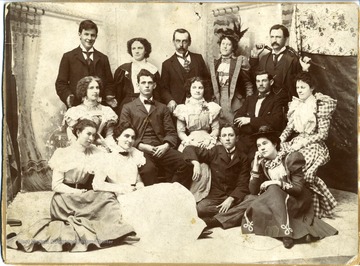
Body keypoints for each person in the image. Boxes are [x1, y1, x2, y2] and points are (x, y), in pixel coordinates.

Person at [7, 119, 137, 252]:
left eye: (94, 135)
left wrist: (102, 142)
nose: (91, 138)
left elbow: (112, 154)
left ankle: (114, 233)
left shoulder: (95, 151)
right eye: (88, 134)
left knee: (108, 197)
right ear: (78, 132)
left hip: (83, 194)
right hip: (65, 198)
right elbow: (56, 186)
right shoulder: (63, 153)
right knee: (69, 228)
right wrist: (76, 192)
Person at [92, 122, 208, 250]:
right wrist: (123, 188)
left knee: (173, 190)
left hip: (137, 191)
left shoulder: (133, 154)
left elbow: (137, 178)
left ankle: (190, 226)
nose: (130, 140)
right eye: (126, 136)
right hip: (123, 197)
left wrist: (140, 185)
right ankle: (185, 229)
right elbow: (97, 184)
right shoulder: (105, 158)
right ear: (117, 137)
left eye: (132, 137)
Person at [241, 125, 338, 249]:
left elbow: (298, 189)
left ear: (275, 144)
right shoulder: (263, 164)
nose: (262, 148)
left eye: (265, 143)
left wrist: (276, 183)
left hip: (297, 200)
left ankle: (286, 234)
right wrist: (255, 166)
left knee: (272, 190)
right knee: (252, 200)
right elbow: (253, 190)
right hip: (278, 202)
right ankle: (298, 234)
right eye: (259, 146)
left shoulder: (290, 158)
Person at [279, 71, 337, 218]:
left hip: (314, 144)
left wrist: (305, 141)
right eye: (297, 87)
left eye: (303, 87)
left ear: (312, 88)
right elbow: (289, 128)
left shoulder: (319, 105)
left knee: (299, 164)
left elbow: (323, 134)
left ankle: (308, 205)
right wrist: (279, 140)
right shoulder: (297, 105)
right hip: (298, 141)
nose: (299, 90)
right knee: (280, 159)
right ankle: (289, 201)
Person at [119, 69, 191, 187]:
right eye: (143, 83)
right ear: (137, 85)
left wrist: (165, 146)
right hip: (140, 149)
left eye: (150, 82)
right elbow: (122, 133)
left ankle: (171, 191)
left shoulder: (162, 107)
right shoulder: (128, 107)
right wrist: (140, 145)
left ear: (154, 85)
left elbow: (171, 132)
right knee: (149, 170)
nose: (146, 85)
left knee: (185, 162)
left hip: (161, 147)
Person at [183, 124, 253, 229]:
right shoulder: (215, 151)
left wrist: (231, 199)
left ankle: (213, 221)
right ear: (220, 139)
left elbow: (242, 183)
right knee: (201, 209)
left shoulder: (243, 158)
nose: (228, 139)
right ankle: (230, 216)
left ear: (237, 138)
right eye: (224, 136)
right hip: (215, 198)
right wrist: (196, 163)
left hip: (234, 197)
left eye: (231, 135)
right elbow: (189, 149)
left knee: (253, 200)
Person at [173, 77, 221, 202]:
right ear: (189, 89)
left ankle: (205, 197)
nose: (197, 90)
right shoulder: (183, 108)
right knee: (188, 162)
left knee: (213, 162)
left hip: (207, 139)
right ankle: (188, 198)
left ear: (204, 89)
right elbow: (181, 131)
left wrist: (210, 139)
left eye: (200, 87)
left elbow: (216, 128)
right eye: (194, 87)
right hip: (190, 140)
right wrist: (189, 141)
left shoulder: (211, 107)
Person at [55, 20, 114, 108]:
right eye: (86, 34)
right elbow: (61, 83)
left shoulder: (103, 58)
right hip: (77, 106)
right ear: (80, 34)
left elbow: (110, 83)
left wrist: (108, 95)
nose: (89, 38)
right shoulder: (68, 57)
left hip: (99, 106)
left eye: (92, 35)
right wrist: (68, 97)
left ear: (96, 36)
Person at [249, 24, 310, 108]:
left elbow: (301, 81)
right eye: (272, 37)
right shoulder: (264, 58)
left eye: (278, 37)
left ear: (286, 39)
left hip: (286, 103)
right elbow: (255, 78)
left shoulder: (294, 59)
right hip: (266, 103)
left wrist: (304, 69)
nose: (274, 40)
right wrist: (254, 58)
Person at [234, 70, 283, 160]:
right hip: (245, 142)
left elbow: (276, 121)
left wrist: (249, 121)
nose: (260, 84)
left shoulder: (276, 100)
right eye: (258, 81)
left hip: (264, 142)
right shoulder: (250, 99)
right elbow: (237, 120)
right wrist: (260, 124)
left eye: (264, 81)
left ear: (271, 82)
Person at [160, 28, 212, 113]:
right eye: (178, 41)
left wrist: (207, 101)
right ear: (173, 42)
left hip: (199, 105)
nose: (181, 45)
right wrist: (170, 100)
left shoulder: (198, 59)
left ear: (189, 42)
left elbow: (207, 81)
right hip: (178, 106)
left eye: (184, 41)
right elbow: (163, 88)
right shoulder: (167, 64)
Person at [209, 29, 253, 124]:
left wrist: (249, 103)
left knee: (234, 128)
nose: (225, 47)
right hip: (217, 100)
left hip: (235, 102)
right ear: (219, 46)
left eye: (228, 44)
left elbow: (248, 84)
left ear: (233, 47)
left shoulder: (240, 61)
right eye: (223, 44)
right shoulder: (214, 62)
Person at [110, 37, 161, 115]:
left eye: (140, 48)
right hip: (128, 104)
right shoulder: (123, 69)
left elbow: (157, 93)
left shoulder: (153, 69)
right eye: (133, 48)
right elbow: (118, 93)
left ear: (146, 50)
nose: (136, 51)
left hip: (148, 103)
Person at [63, 76, 118, 149]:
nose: (95, 91)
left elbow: (110, 135)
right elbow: (72, 137)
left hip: (102, 149)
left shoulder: (107, 111)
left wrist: (108, 147)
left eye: (97, 88)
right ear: (84, 90)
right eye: (91, 88)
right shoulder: (75, 111)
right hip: (81, 149)